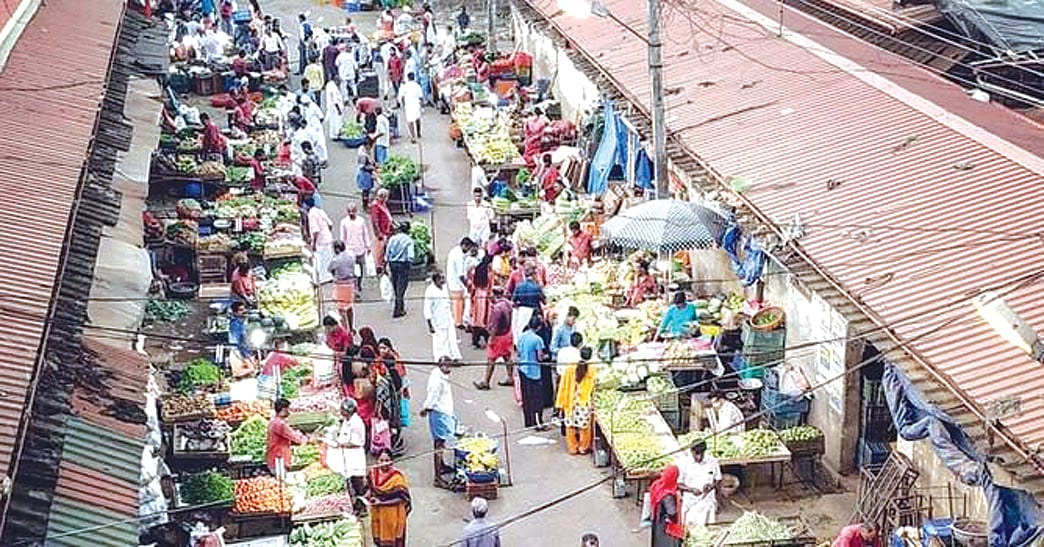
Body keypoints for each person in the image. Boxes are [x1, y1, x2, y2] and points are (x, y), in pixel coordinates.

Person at [324, 398, 368, 514]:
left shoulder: (356, 424)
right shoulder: (347, 420)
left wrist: (339, 443)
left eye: (342, 410)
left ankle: (361, 506)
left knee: (357, 482)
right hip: (347, 456)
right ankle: (354, 505)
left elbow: (357, 442)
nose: (341, 412)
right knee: (350, 480)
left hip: (355, 456)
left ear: (348, 411)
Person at [420, 357, 456, 487]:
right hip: (439, 413)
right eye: (446, 366)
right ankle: (437, 478)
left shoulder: (441, 375)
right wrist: (426, 408)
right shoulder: (437, 380)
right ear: (440, 366)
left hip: (445, 411)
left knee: (442, 442)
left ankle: (442, 465)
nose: (448, 369)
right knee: (439, 445)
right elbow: (433, 396)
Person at [556, 347, 597, 455]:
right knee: (584, 427)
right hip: (583, 402)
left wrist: (560, 401)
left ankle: (573, 448)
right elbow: (594, 385)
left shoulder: (570, 368)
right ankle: (583, 447)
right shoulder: (592, 369)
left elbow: (563, 386)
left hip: (570, 401)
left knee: (570, 426)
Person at [368, 448, 412, 546]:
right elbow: (369, 488)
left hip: (393, 514)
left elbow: (402, 498)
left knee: (392, 541)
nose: (384, 463)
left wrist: (381, 502)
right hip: (378, 513)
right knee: (379, 538)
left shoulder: (397, 478)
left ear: (392, 461)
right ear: (377, 460)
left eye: (387, 460)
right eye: (381, 460)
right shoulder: (372, 473)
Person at [473, 287, 513, 390]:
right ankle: (510, 377)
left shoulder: (497, 309)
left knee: (491, 359)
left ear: (494, 295)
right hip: (507, 334)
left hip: (498, 336)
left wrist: (491, 338)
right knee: (507, 357)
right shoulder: (508, 303)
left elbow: (494, 327)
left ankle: (486, 382)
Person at [679, 441, 721, 527]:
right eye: (697, 454)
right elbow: (678, 484)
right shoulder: (683, 464)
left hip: (707, 502)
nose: (699, 457)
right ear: (691, 452)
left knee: (707, 529)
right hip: (690, 502)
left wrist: (711, 486)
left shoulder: (713, 461)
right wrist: (691, 489)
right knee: (690, 529)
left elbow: (718, 479)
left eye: (702, 453)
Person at [517, 315, 548, 429]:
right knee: (537, 399)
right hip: (533, 372)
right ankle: (538, 422)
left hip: (522, 369)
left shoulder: (522, 336)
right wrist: (546, 356)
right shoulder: (537, 340)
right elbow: (540, 357)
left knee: (526, 397)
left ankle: (528, 421)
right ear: (538, 327)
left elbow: (519, 352)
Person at [266, 398, 310, 478]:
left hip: (274, 458)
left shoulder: (274, 421)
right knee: (282, 483)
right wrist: (307, 438)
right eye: (288, 409)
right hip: (278, 460)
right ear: (283, 409)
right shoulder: (280, 424)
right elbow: (297, 439)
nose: (289, 411)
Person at [424, 271, 462, 361]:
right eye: (441, 278)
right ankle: (441, 359)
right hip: (437, 320)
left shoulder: (444, 287)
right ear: (436, 280)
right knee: (440, 341)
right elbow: (427, 309)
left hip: (448, 317)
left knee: (452, 338)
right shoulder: (430, 291)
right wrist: (430, 325)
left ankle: (454, 357)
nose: (443, 280)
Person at [650, 465, 685, 547]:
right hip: (665, 527)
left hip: (657, 522)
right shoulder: (668, 495)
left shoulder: (657, 485)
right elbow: (672, 512)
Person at [339, 202, 371, 290]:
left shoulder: (361, 221)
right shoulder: (344, 222)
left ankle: (359, 283)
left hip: (360, 248)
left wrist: (368, 246)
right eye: (350, 211)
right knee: (351, 269)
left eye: (353, 211)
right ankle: (353, 285)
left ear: (356, 211)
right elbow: (342, 237)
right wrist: (342, 249)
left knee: (360, 269)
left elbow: (365, 233)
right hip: (349, 250)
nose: (351, 213)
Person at [385, 221, 415, 318]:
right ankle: (398, 309)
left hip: (392, 264)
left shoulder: (392, 239)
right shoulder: (408, 240)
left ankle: (400, 306)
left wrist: (386, 263)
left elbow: (387, 253)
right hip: (403, 264)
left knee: (395, 284)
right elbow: (410, 256)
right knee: (401, 287)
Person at [445, 238, 475, 330]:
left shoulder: (456, 251)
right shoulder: (458, 256)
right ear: (464, 245)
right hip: (456, 282)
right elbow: (461, 275)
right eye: (468, 247)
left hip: (454, 281)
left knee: (459, 302)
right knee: (458, 303)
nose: (469, 250)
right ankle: (458, 322)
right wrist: (467, 285)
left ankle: (459, 320)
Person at [329, 241, 357, 333]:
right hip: (350, 283)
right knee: (349, 307)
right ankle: (351, 327)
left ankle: (346, 330)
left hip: (340, 284)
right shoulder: (351, 256)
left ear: (337, 249)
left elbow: (330, 269)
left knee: (341, 309)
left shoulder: (336, 260)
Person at [468, 254, 494, 348]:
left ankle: (475, 340)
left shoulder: (476, 270)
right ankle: (487, 339)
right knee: (485, 319)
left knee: (476, 319)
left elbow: (472, 284)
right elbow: (490, 286)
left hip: (477, 295)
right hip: (485, 296)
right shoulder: (489, 273)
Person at [307, 198, 335, 284]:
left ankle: (321, 279)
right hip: (328, 238)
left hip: (320, 241)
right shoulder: (320, 211)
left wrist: (314, 243)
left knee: (319, 260)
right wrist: (327, 233)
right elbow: (330, 224)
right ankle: (329, 276)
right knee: (328, 259)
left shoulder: (311, 214)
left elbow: (316, 231)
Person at [227, 301, 257, 377]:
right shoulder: (235, 325)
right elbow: (235, 343)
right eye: (241, 310)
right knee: (241, 373)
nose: (244, 311)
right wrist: (242, 358)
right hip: (239, 353)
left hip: (246, 352)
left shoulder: (242, 322)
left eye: (244, 309)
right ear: (235, 312)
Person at [372, 188, 394, 272]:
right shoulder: (375, 205)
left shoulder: (382, 204)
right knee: (379, 249)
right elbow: (375, 221)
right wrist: (378, 233)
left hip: (386, 229)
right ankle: (378, 265)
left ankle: (382, 263)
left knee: (383, 248)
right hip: (381, 231)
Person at [397, 73, 424, 143]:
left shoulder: (405, 86)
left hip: (408, 105)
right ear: (414, 77)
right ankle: (418, 132)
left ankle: (412, 136)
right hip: (416, 105)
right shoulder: (417, 86)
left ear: (408, 78)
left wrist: (403, 105)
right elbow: (421, 97)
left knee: (410, 121)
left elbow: (402, 97)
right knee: (417, 119)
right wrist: (422, 106)